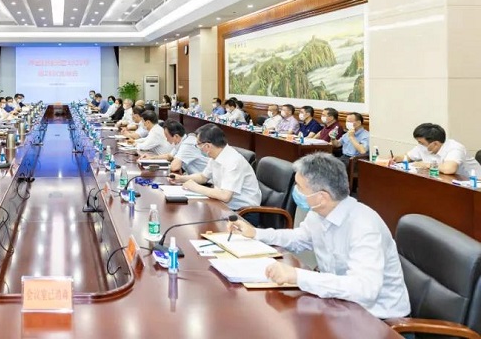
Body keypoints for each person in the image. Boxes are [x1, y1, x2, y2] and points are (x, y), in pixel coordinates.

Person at [227, 152, 410, 320]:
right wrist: (256, 233)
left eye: (299, 187)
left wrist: (297, 276)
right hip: (341, 305)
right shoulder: (319, 212)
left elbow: (364, 290)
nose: (295, 191)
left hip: (379, 319)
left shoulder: (364, 226)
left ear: (321, 197)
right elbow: (299, 238)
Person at [170, 124, 261, 210]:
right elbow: (203, 177)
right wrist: (181, 179)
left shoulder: (233, 161)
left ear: (207, 146)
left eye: (198, 145)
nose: (198, 147)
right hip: (224, 205)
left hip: (243, 211)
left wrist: (195, 187)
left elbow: (225, 196)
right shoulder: (216, 155)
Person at [394, 123, 481, 177]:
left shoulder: (455, 148)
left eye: (421, 143)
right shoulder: (424, 147)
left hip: (473, 185)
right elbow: (407, 157)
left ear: (435, 143)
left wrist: (425, 165)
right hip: (447, 181)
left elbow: (449, 169)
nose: (419, 145)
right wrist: (395, 158)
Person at [141, 119, 208, 175]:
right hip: (196, 175)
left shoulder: (187, 144)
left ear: (176, 136)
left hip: (206, 180)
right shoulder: (181, 141)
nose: (167, 140)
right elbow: (169, 156)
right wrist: (151, 158)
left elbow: (174, 167)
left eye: (167, 136)